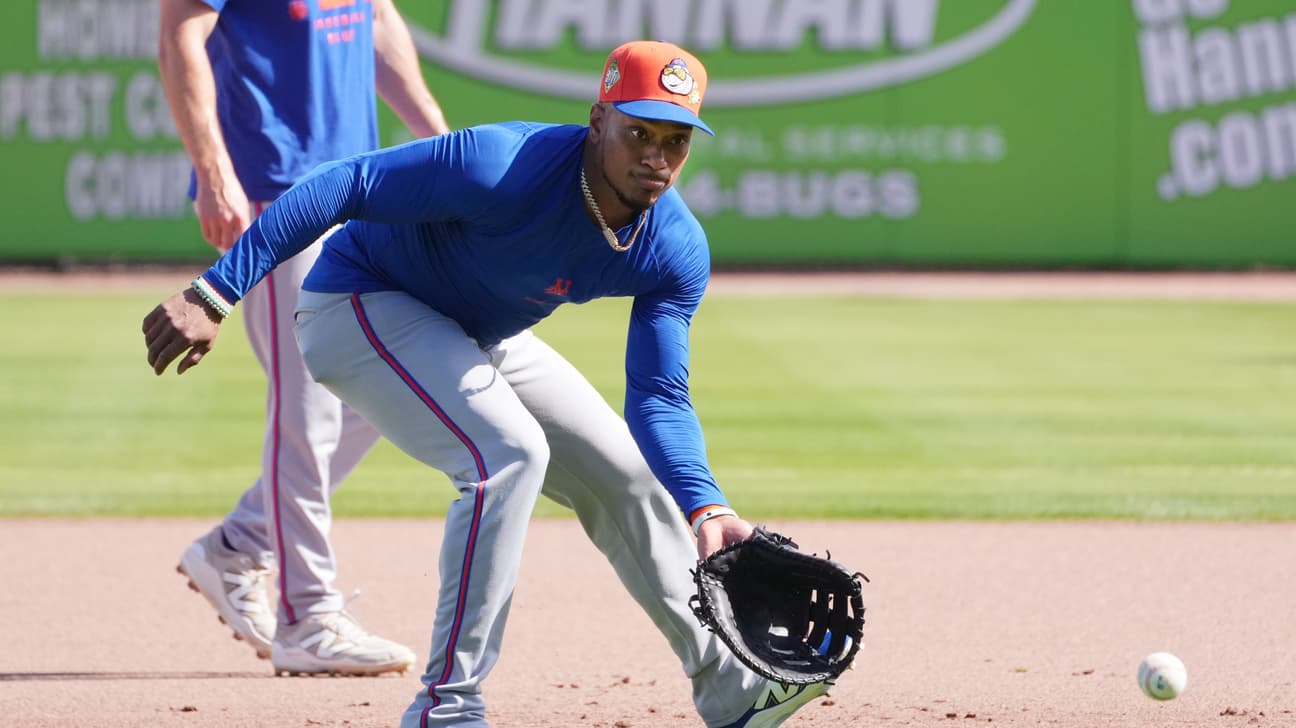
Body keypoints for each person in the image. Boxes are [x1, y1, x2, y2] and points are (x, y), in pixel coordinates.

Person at [144, 40, 833, 726]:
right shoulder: (500, 164)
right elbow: (344, 183)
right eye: (639, 132)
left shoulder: (672, 245)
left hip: (474, 333)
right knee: (508, 455)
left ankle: (728, 688)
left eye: (675, 140)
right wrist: (213, 294)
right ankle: (447, 707)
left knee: (626, 472)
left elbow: (658, 396)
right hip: (357, 303)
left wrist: (708, 508)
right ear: (599, 121)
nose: (655, 155)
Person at [156, 0, 450, 676]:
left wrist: (436, 141)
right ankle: (309, 618)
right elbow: (179, 31)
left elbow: (375, 20)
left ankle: (239, 543)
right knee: (310, 408)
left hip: (359, 188)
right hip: (276, 190)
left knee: (394, 375)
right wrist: (212, 168)